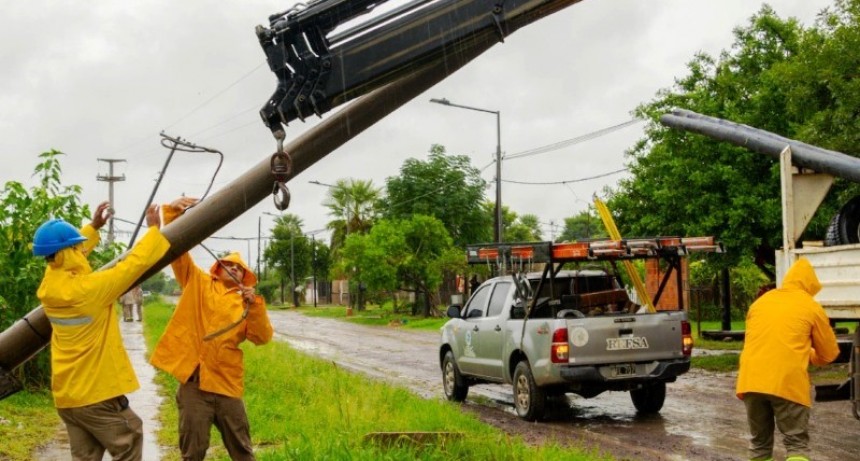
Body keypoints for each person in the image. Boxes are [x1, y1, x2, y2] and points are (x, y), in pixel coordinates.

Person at [34, 201, 170, 461]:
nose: (80, 250)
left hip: (68, 396)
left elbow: (65, 255)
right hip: (95, 394)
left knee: (86, 457)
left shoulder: (50, 284)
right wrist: (153, 231)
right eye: (77, 246)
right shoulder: (90, 290)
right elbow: (134, 265)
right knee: (130, 438)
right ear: (68, 252)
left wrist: (92, 229)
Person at [150, 197, 273, 461]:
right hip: (193, 385)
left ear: (245, 277)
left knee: (243, 452)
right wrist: (172, 214)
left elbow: (262, 338)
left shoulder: (247, 303)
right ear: (218, 267)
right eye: (228, 264)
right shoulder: (198, 282)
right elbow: (177, 249)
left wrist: (256, 307)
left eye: (240, 269)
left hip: (227, 385)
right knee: (192, 452)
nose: (234, 270)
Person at [735, 257, 840, 461]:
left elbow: (762, 340)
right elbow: (829, 354)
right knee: (796, 444)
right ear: (810, 284)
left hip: (751, 381)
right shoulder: (810, 306)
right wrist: (808, 354)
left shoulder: (761, 302)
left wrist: (800, 350)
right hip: (787, 383)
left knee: (759, 444)